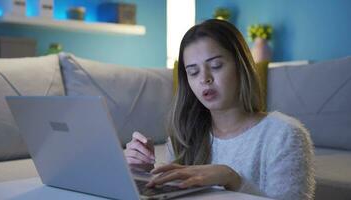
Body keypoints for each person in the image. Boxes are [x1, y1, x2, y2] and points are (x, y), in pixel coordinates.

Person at [124, 19, 315, 200]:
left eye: (216, 66)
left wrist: (233, 180)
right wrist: (145, 173)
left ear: (241, 66)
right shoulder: (185, 135)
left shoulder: (284, 135)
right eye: (193, 72)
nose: (204, 78)